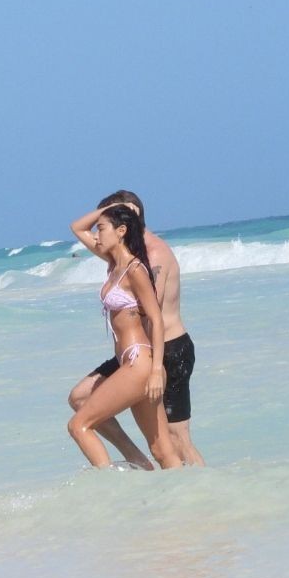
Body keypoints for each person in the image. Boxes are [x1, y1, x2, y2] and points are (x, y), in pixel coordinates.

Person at [68, 191, 205, 467]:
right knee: (81, 397)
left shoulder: (150, 256)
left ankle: (204, 489)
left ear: (123, 225)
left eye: (103, 225)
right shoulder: (116, 259)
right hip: (133, 354)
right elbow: (77, 228)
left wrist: (154, 370)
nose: (97, 233)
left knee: (175, 440)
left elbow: (152, 312)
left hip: (167, 350)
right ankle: (137, 461)